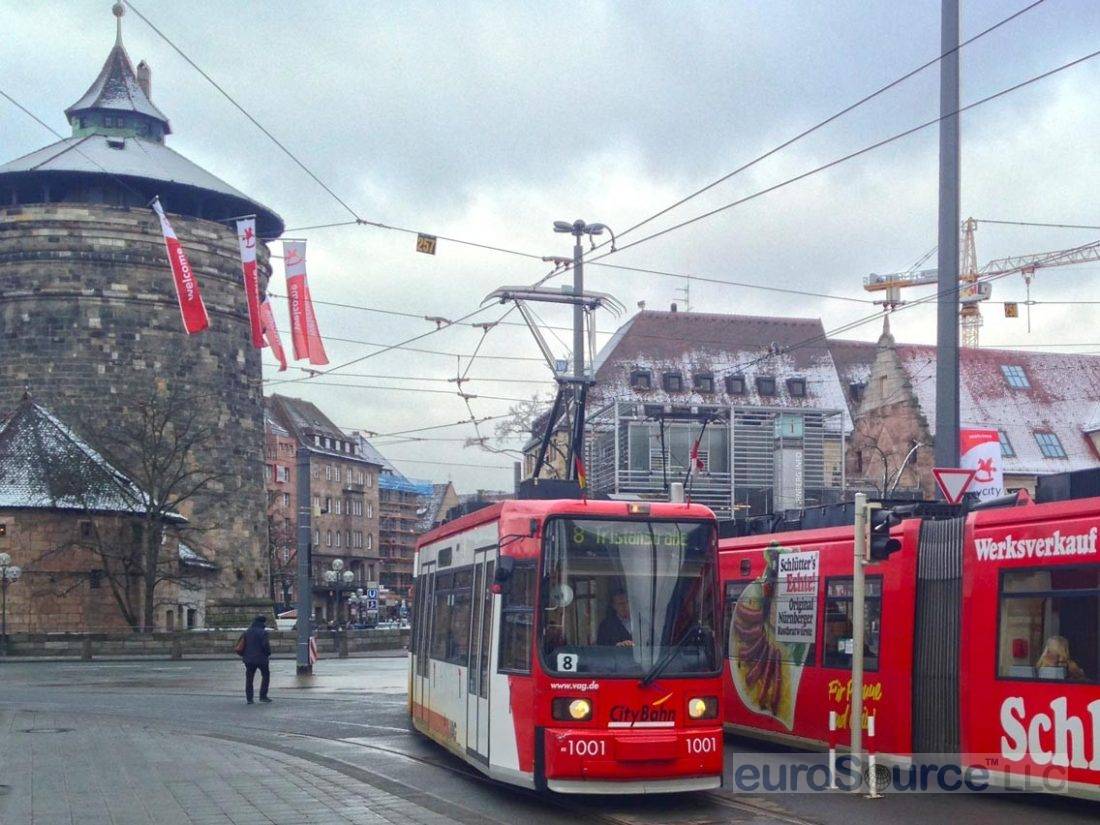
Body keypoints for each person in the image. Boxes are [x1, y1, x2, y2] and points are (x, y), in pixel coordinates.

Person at [241, 615, 272, 704]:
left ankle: (249, 699)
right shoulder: (263, 632)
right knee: (266, 676)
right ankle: (263, 696)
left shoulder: (247, 632)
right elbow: (265, 645)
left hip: (249, 659)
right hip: (261, 658)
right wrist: (268, 653)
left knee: (249, 678)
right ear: (263, 622)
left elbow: (242, 645)